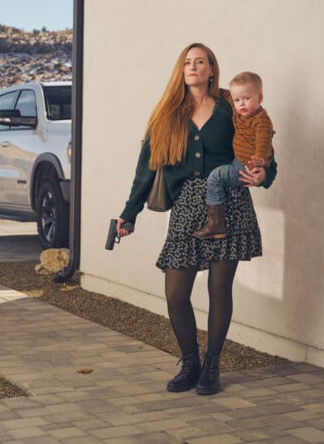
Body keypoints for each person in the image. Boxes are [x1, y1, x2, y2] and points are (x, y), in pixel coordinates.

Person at [116, 43, 277, 396]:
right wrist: (130, 213)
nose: (193, 67)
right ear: (181, 70)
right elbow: (146, 168)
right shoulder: (167, 114)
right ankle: (190, 362)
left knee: (219, 289)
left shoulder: (228, 106)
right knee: (175, 293)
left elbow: (262, 145)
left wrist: (265, 173)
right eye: (187, 62)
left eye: (199, 61)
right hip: (188, 205)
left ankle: (212, 364)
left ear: (211, 69)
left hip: (231, 202)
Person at [192, 71, 274, 239]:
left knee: (215, 177)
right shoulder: (237, 111)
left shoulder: (261, 120)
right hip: (239, 162)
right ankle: (217, 222)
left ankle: (216, 225)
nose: (241, 104)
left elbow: (263, 141)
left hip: (245, 166)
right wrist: (205, 84)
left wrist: (260, 158)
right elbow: (224, 93)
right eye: (237, 100)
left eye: (247, 98)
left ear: (260, 98)